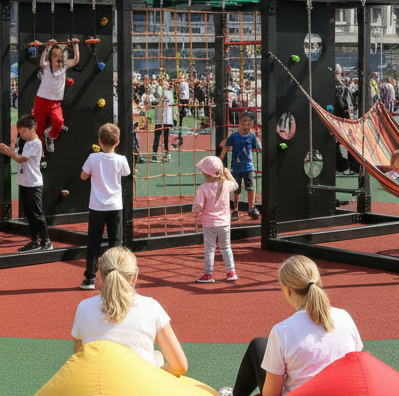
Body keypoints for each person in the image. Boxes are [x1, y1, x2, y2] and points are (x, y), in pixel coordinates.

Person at [218, 256, 363, 396]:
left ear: (287, 290)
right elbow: (356, 364)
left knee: (258, 345)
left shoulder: (283, 331)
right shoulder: (345, 317)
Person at [71, 246, 188, 375]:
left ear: (101, 275)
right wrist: (155, 373)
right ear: (133, 278)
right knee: (157, 356)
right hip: (139, 384)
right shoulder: (151, 307)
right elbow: (180, 366)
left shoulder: (84, 307)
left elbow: (80, 357)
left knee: (156, 356)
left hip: (98, 381)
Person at [80, 123, 131, 289]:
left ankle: (90, 278)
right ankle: (116, 277)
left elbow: (83, 176)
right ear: (117, 142)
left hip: (97, 206)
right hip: (115, 206)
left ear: (99, 141)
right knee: (115, 242)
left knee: (93, 242)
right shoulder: (121, 159)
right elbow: (126, 173)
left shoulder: (93, 158)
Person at [0, 114, 51, 253]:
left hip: (33, 184)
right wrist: (10, 149)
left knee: (37, 214)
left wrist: (8, 152)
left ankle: (46, 241)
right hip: (25, 182)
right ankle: (35, 240)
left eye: (24, 131)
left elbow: (21, 159)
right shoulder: (26, 142)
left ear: (32, 128)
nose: (21, 134)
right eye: (20, 131)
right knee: (29, 214)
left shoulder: (36, 143)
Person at [192, 155, 238, 284]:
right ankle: (231, 271)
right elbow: (235, 185)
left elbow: (198, 205)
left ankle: (208, 273)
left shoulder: (203, 188)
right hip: (224, 224)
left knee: (210, 249)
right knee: (226, 247)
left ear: (207, 174)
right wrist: (228, 174)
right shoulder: (226, 184)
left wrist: (195, 214)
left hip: (209, 224)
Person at [34, 39, 80, 154]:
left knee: (59, 121)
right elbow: (41, 62)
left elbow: (76, 61)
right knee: (39, 128)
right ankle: (39, 149)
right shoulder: (47, 65)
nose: (60, 64)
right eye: (57, 61)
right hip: (41, 100)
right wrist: (47, 48)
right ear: (51, 60)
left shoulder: (64, 66)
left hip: (55, 102)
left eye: (61, 61)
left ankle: (51, 137)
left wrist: (75, 45)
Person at [220, 111, 261, 221]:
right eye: (243, 123)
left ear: (251, 124)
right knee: (236, 189)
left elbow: (258, 147)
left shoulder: (252, 136)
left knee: (251, 188)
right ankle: (235, 209)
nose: (246, 126)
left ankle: (251, 207)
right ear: (240, 123)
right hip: (236, 168)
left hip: (248, 167)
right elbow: (224, 147)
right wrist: (219, 161)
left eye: (248, 123)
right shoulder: (234, 136)